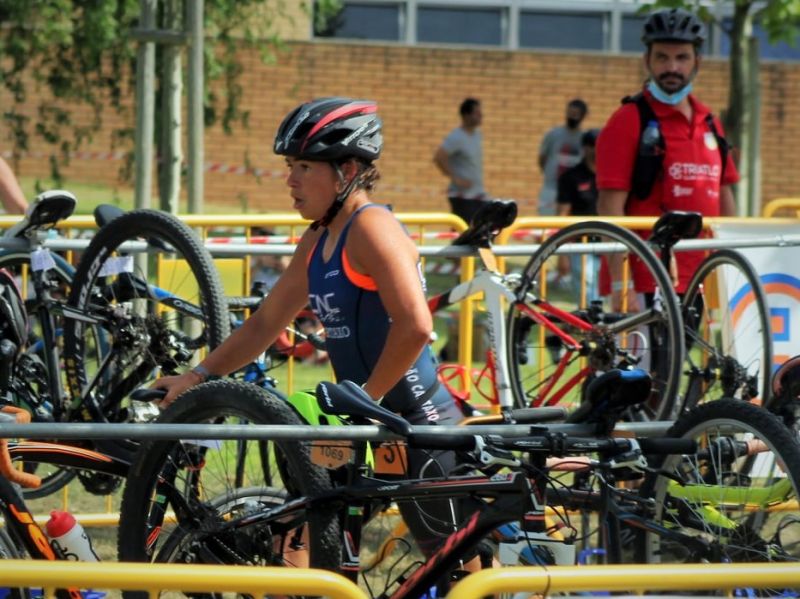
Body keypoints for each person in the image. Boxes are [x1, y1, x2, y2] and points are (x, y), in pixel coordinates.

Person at [153, 97, 469, 560]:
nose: (290, 179)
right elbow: (264, 324)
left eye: (304, 166)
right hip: (357, 425)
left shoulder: (372, 226)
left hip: (415, 425)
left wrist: (368, 403)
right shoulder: (319, 238)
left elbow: (415, 326)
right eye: (289, 165)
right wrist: (196, 377)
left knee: (460, 572)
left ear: (346, 170)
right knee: (300, 543)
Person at [596, 7, 738, 312]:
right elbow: (610, 207)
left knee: (686, 359)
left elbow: (725, 194)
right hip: (646, 279)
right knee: (646, 362)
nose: (672, 67)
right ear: (647, 61)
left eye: (682, 57)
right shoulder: (628, 119)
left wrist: (730, 273)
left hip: (700, 275)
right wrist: (623, 285)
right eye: (662, 57)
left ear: (697, 62)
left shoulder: (710, 121)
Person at [554, 128, 601, 302]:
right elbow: (562, 215)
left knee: (608, 293)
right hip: (582, 246)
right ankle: (591, 327)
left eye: (599, 145)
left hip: (610, 244)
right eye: (592, 145)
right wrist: (562, 254)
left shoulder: (611, 175)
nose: (596, 149)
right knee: (587, 294)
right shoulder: (571, 177)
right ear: (585, 148)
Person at [433, 97, 490, 225]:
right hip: (462, 196)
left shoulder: (477, 134)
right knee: (465, 232)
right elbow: (439, 157)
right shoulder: (456, 136)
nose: (481, 115)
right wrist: (455, 178)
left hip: (477, 194)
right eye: (477, 113)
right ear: (466, 115)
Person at [538, 99, 588, 216]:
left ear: (582, 116)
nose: (572, 117)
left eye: (576, 114)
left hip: (574, 191)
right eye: (570, 113)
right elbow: (542, 159)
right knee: (546, 221)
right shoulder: (553, 134)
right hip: (551, 188)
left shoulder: (584, 138)